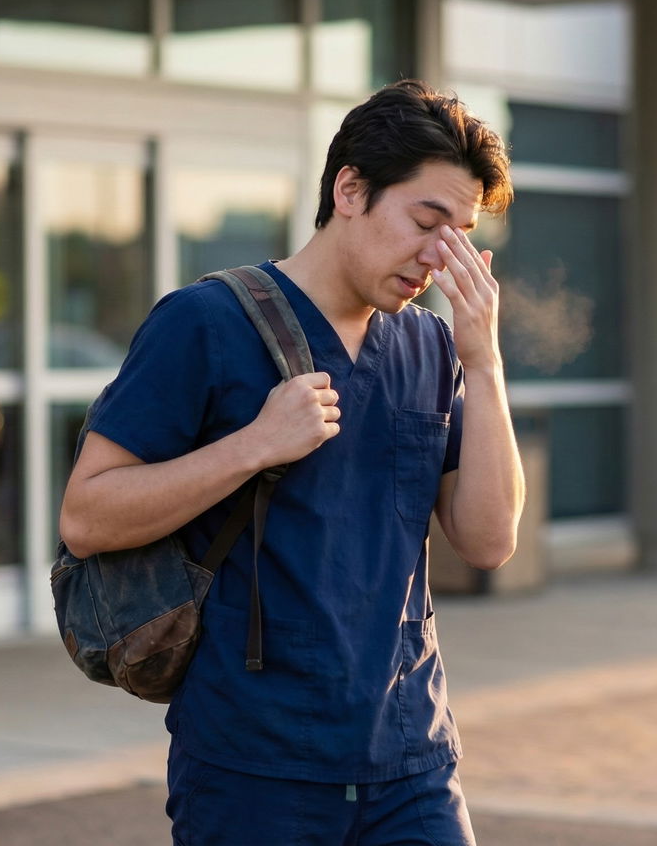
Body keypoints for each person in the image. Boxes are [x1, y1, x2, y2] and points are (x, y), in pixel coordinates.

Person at [59, 80, 523, 846]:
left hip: (411, 762)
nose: (438, 256)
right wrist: (253, 446)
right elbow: (86, 516)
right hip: (253, 768)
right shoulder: (204, 323)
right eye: (425, 220)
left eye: (460, 235)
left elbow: (490, 539)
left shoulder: (431, 347)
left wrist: (487, 360)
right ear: (350, 189)